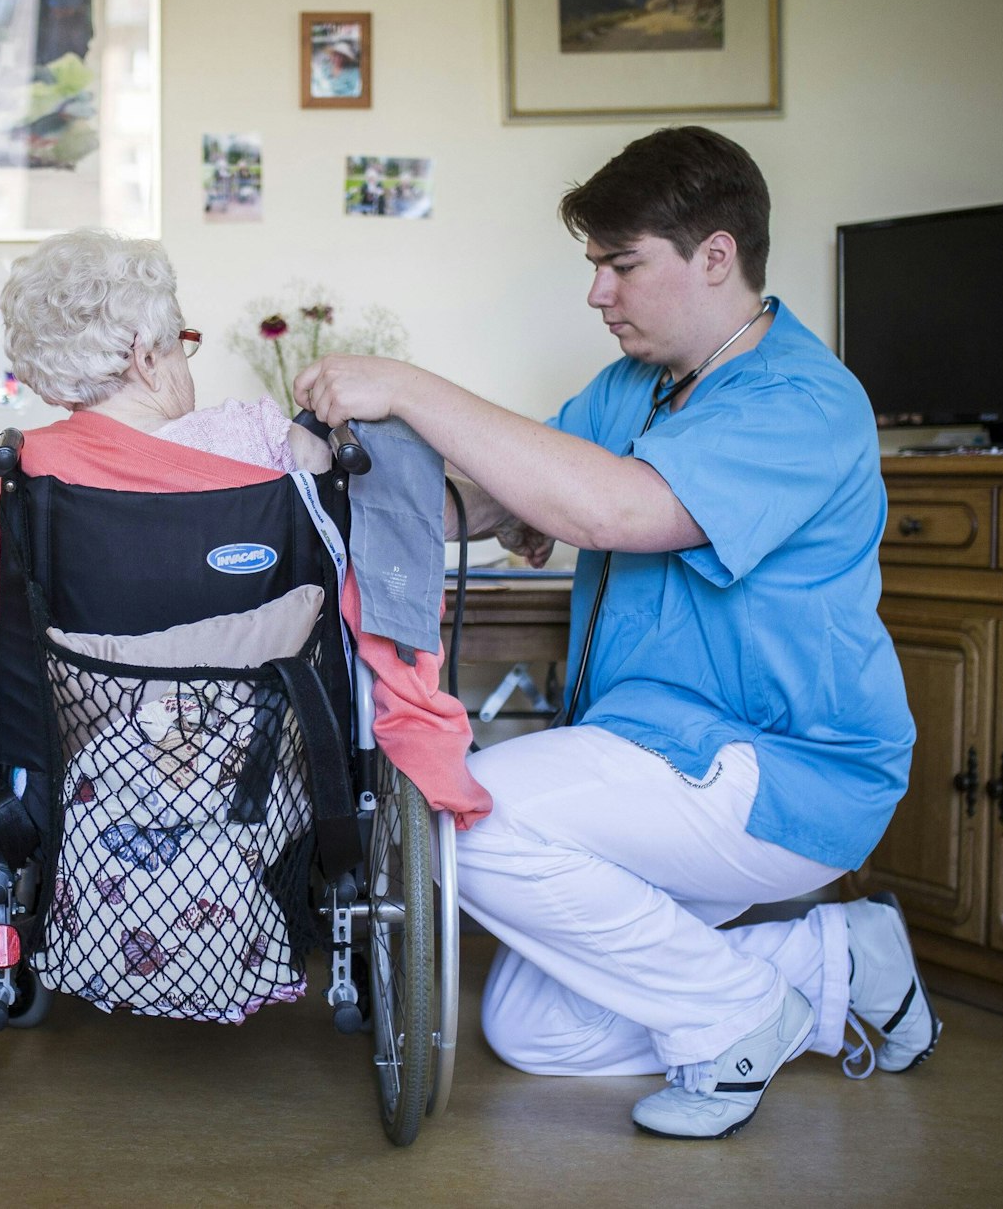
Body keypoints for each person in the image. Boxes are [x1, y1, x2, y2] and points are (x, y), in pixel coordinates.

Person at [293, 127, 932, 1140]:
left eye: (619, 263)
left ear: (714, 256)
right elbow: (513, 499)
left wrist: (408, 385)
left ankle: (732, 1015)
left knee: (465, 812)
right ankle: (833, 962)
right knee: (534, 1030)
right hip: (657, 759)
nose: (596, 292)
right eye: (594, 264)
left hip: (777, 769)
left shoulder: (798, 400)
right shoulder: (633, 387)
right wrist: (345, 480)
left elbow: (615, 512)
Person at [0, 228, 493, 825]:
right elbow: (380, 515)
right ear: (146, 355)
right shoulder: (266, 444)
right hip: (265, 781)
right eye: (183, 341)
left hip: (84, 784)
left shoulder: (19, 472)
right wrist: (503, 514)